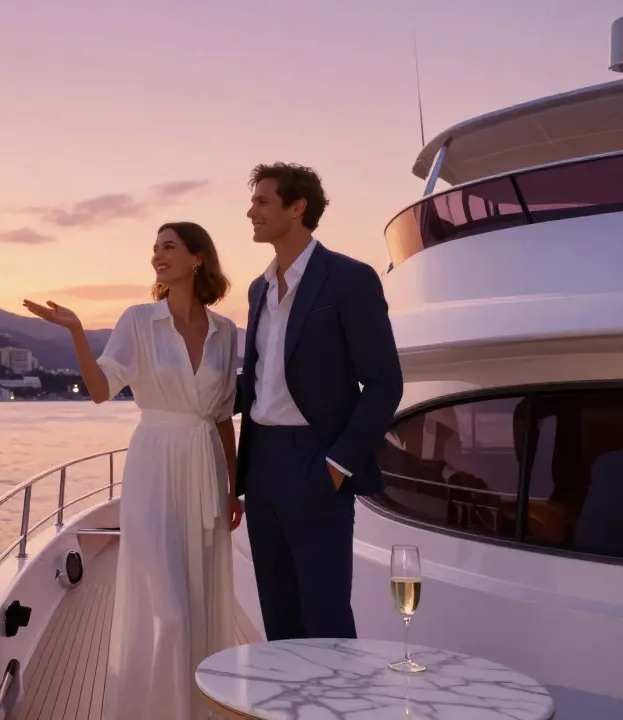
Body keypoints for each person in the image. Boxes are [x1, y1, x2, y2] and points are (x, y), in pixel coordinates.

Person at [24, 221, 241, 719]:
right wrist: (77, 332)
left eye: (169, 247)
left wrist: (235, 487)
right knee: (171, 611)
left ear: (197, 258)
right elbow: (102, 390)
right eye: (155, 248)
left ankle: (199, 709)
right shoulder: (139, 321)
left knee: (200, 600)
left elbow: (223, 416)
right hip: (153, 467)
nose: (157, 256)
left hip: (204, 469)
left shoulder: (225, 331)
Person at [236, 162, 403, 641]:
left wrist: (335, 465)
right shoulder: (258, 289)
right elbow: (259, 380)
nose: (251, 212)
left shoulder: (349, 279)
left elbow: (385, 383)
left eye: (262, 201)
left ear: (297, 208)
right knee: (278, 615)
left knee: (325, 618)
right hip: (262, 463)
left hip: (316, 459)